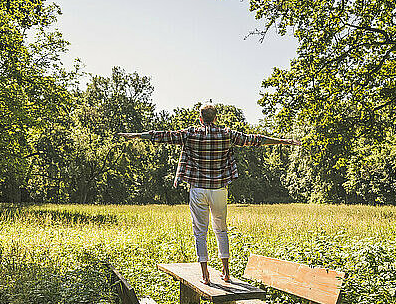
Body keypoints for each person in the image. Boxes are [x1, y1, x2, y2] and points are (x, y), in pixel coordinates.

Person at [118, 103, 300, 285]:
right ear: (215, 118)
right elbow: (254, 139)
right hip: (219, 189)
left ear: (200, 118)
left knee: (200, 232)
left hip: (198, 189)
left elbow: (163, 135)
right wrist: (283, 141)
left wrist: (135, 135)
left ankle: (205, 275)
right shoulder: (227, 133)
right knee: (221, 229)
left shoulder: (191, 133)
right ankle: (226, 272)